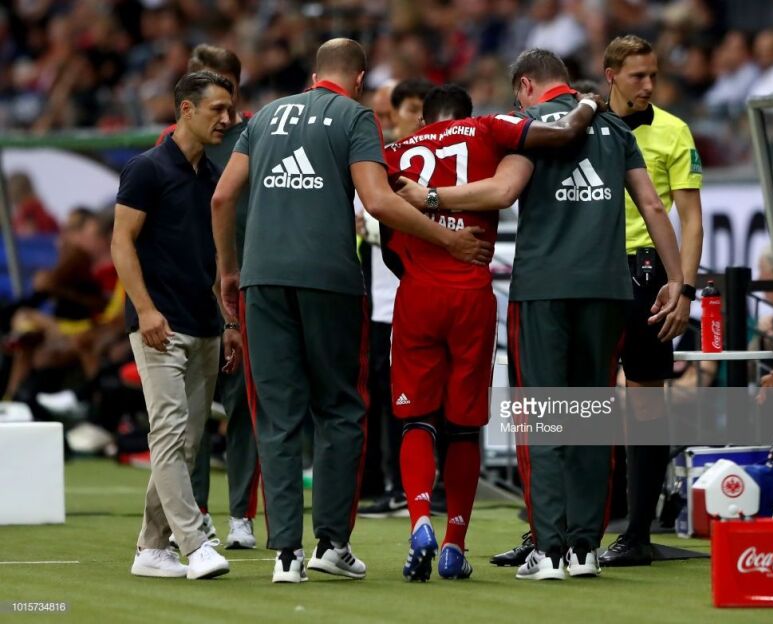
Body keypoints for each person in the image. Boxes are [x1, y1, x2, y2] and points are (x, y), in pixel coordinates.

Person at [210, 38, 491, 584]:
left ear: (316, 73)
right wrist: (449, 240)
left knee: (277, 415)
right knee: (339, 408)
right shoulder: (355, 117)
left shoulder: (263, 116)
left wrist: (228, 269)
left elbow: (222, 197)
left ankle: (286, 555)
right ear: (359, 79)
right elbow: (380, 200)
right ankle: (331, 544)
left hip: (262, 280)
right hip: (329, 281)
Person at [398, 48, 684, 581]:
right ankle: (584, 550)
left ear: (525, 86)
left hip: (544, 289)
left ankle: (550, 550)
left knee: (545, 416)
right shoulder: (614, 127)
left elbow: (503, 191)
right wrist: (678, 282)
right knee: (591, 417)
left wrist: (430, 196)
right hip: (607, 289)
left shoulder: (528, 126)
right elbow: (652, 205)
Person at [384, 83, 603, 581]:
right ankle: (455, 545)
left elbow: (388, 237)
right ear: (468, 113)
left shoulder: (397, 151)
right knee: (464, 425)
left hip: (417, 294)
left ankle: (420, 520)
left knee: (416, 418)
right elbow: (553, 138)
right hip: (471, 296)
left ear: (424, 119)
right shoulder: (488, 130)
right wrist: (589, 102)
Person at [112, 71, 234, 580]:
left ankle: (150, 548)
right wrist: (144, 310)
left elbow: (213, 259)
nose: (227, 119)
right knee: (168, 432)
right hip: (158, 324)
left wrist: (228, 320)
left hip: (204, 323)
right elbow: (121, 242)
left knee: (186, 443)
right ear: (186, 109)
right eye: (217, 109)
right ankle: (195, 542)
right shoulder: (147, 168)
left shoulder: (212, 177)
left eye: (230, 109)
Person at [597, 34, 703, 568]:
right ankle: (560, 528)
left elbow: (692, 219)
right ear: (611, 75)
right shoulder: (583, 127)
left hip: (648, 275)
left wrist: (684, 287)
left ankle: (637, 534)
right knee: (579, 400)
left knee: (644, 401)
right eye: (638, 75)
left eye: (653, 75)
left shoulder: (673, 131)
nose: (648, 85)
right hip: (590, 270)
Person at [156, 44, 260, 551]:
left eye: (224, 91)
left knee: (242, 405)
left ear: (235, 88)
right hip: (192, 289)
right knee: (188, 413)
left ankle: (241, 514)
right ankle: (195, 513)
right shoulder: (169, 147)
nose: (219, 108)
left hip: (243, 285)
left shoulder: (258, 135)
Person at [357, 78, 433, 519]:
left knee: (424, 395)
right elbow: (364, 220)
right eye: (407, 110)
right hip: (385, 300)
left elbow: (370, 221)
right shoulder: (379, 160)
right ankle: (393, 484)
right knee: (387, 396)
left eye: (421, 109)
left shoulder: (436, 158)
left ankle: (416, 487)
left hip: (424, 294)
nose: (415, 118)